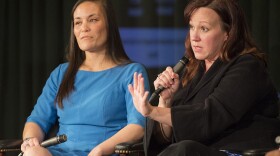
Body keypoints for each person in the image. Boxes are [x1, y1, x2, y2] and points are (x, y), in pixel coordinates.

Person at [128, 0, 280, 155]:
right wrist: (165, 101)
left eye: (204, 29)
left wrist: (152, 111)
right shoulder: (195, 69)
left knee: (184, 150)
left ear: (228, 33)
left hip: (237, 151)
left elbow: (209, 116)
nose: (194, 37)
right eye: (192, 27)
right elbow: (168, 138)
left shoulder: (248, 66)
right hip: (202, 151)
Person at [20, 0, 150, 155]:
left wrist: (100, 150)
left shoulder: (131, 72)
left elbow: (138, 126)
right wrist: (30, 140)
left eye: (93, 20)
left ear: (109, 25)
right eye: (78, 22)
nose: (84, 28)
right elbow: (37, 121)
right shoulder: (61, 73)